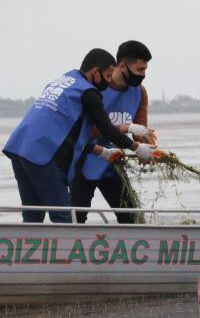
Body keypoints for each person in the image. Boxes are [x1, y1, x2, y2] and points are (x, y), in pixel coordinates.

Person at [2, 48, 157, 223]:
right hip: (41, 153)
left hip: (18, 147)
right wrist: (136, 147)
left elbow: (69, 133)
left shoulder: (66, 80)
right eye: (107, 76)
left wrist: (102, 152)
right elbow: (106, 129)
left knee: (32, 213)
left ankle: (22, 249)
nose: (108, 82)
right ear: (94, 72)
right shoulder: (89, 93)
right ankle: (66, 250)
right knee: (64, 216)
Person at [71, 41, 156, 224]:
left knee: (131, 218)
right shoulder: (94, 88)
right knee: (75, 219)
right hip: (85, 159)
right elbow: (84, 132)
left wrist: (148, 150)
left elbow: (141, 132)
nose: (143, 75)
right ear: (123, 66)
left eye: (145, 70)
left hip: (113, 163)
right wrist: (127, 128)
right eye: (140, 70)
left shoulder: (140, 92)